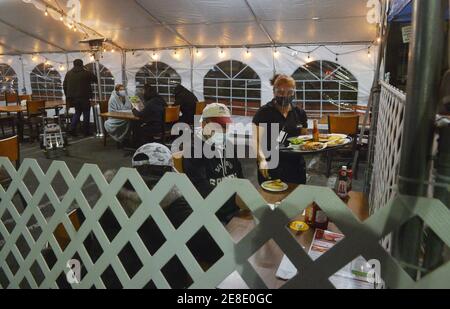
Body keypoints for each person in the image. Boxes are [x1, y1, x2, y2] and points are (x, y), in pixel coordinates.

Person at [97, 143, 222, 289]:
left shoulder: (108, 199)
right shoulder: (175, 205)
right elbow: (214, 250)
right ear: (168, 171)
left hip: (107, 279)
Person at [182, 103, 244, 224]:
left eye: (226, 126)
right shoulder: (194, 151)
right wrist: (237, 201)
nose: (224, 130)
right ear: (204, 124)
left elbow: (240, 179)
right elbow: (202, 191)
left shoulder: (229, 145)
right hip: (211, 217)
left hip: (235, 211)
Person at [252, 74, 308, 185]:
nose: (285, 96)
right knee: (272, 199)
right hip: (271, 165)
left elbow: (304, 137)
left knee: (296, 199)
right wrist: (262, 160)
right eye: (281, 92)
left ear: (294, 93)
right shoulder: (263, 113)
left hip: (296, 166)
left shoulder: (299, 113)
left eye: (289, 92)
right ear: (274, 92)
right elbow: (256, 141)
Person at [63, 59, 98, 137]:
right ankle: (86, 131)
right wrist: (88, 70)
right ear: (82, 64)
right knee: (86, 114)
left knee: (77, 113)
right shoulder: (86, 73)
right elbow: (95, 79)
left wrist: (68, 96)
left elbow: (64, 86)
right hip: (84, 97)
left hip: (73, 98)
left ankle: (72, 129)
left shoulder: (68, 73)